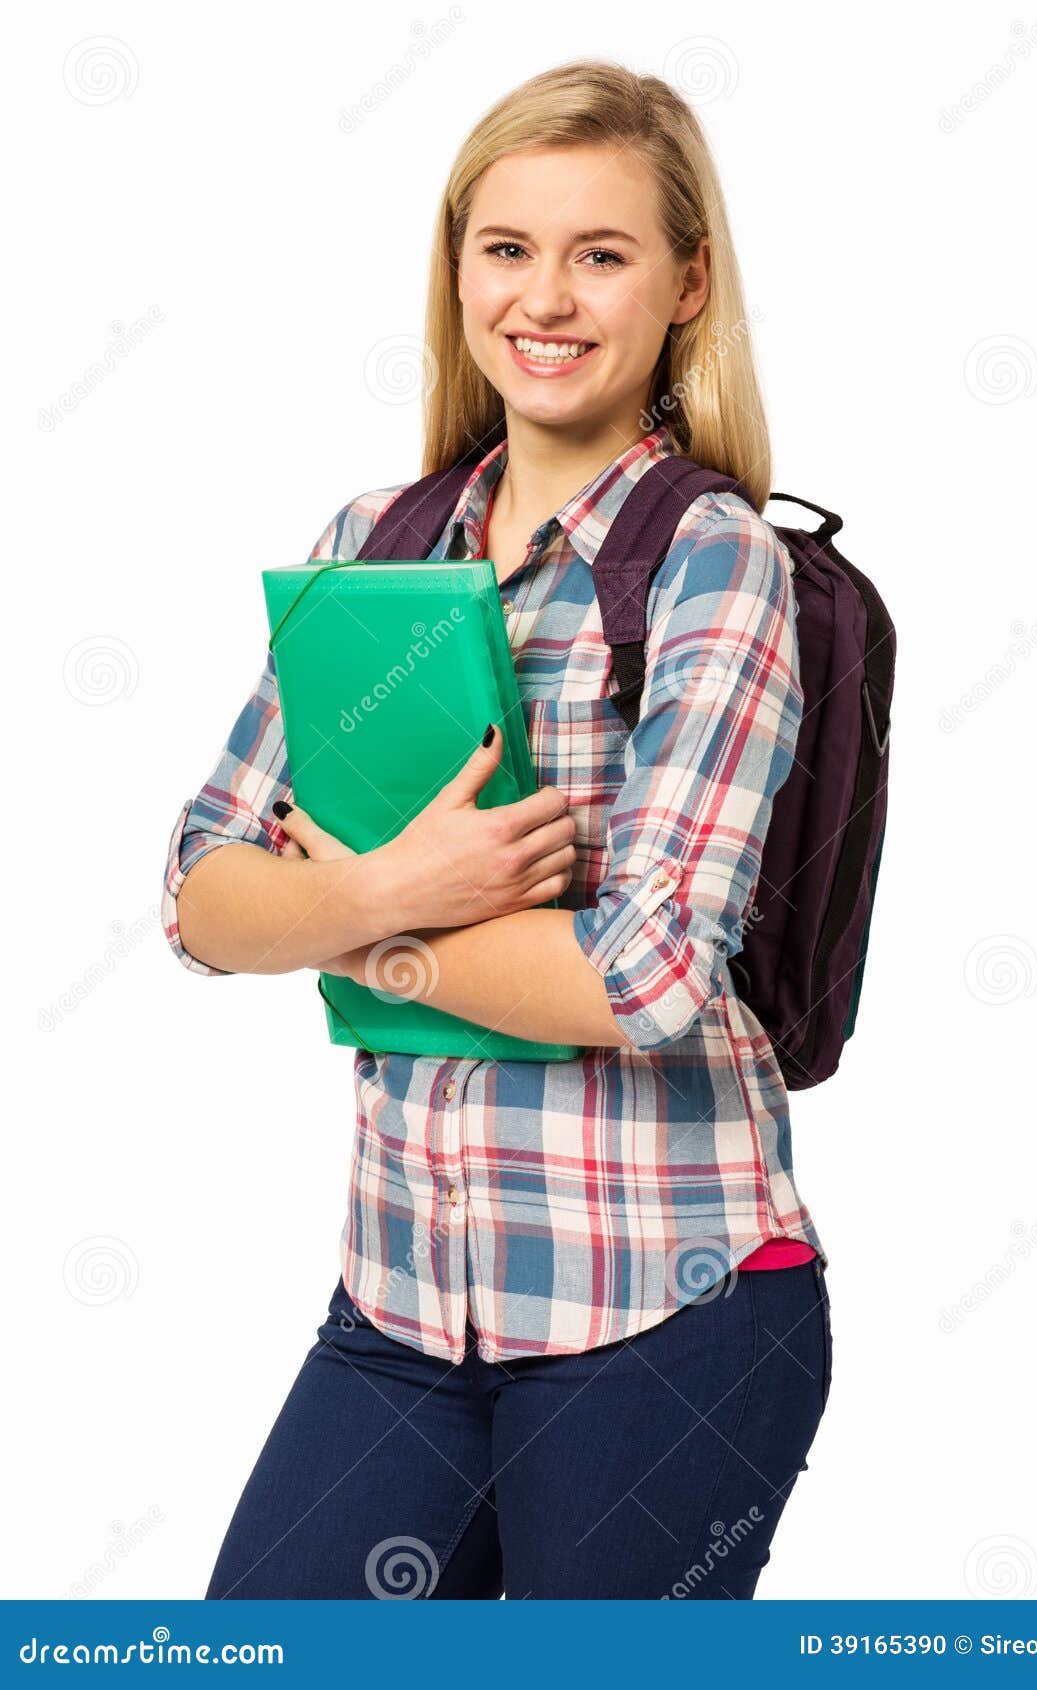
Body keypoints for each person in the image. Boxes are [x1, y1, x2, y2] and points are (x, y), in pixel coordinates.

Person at [161, 58, 833, 1601]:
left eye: (601, 253)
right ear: (458, 267)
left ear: (687, 285)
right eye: (508, 247)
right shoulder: (370, 548)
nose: (546, 297)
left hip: (665, 1308)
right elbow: (198, 893)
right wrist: (400, 888)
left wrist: (358, 929)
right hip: (403, 1305)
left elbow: (646, 976)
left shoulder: (711, 559)